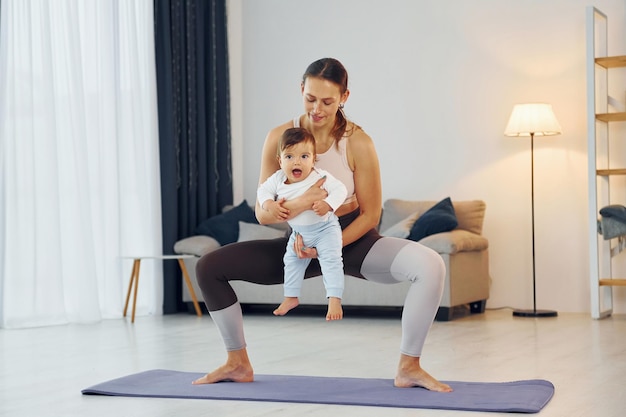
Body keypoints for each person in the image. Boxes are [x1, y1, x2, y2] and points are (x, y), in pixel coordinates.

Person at [192, 57, 452, 392]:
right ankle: (238, 363)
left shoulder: (358, 142)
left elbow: (371, 215)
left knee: (430, 264)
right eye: (310, 99)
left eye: (328, 101)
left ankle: (409, 367)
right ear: (301, 90)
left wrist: (328, 246)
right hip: (298, 242)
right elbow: (262, 212)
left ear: (344, 97)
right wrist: (300, 206)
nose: (317, 109)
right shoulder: (279, 138)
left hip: (355, 240)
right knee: (209, 267)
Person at [258, 127, 348, 321]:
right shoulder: (278, 179)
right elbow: (262, 191)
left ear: (313, 159)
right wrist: (269, 204)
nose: (296, 162)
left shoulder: (320, 177)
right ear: (280, 161)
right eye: (289, 157)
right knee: (291, 261)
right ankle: (291, 297)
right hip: (299, 233)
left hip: (326, 229)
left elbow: (341, 189)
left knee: (331, 260)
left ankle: (334, 299)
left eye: (304, 156)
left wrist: (328, 204)